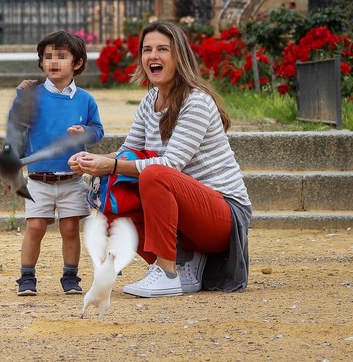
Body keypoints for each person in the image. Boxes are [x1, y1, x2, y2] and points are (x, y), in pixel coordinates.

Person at [68, 21, 252, 297]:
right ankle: (180, 265)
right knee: (108, 196)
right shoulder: (150, 99)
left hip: (224, 214)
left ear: (179, 56)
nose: (153, 56)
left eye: (163, 49)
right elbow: (126, 151)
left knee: (155, 174)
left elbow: (169, 165)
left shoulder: (196, 101)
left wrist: (112, 164)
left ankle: (167, 273)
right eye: (147, 50)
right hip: (185, 211)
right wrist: (92, 161)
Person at [9, 30, 105, 296]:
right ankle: (27, 277)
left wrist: (84, 131)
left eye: (61, 56)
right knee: (35, 226)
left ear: (77, 63)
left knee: (70, 228)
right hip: (38, 180)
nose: (53, 61)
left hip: (72, 178)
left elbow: (98, 131)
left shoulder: (85, 99)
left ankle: (70, 277)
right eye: (48, 56)